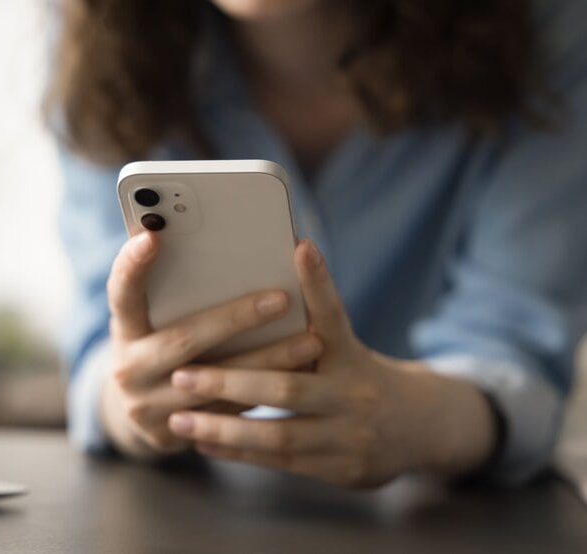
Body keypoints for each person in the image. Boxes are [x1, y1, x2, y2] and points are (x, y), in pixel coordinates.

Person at [48, 0, 587, 486]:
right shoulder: (99, 30)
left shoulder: (546, 27)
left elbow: (517, 347)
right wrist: (132, 403)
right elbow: (101, 340)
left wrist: (416, 418)